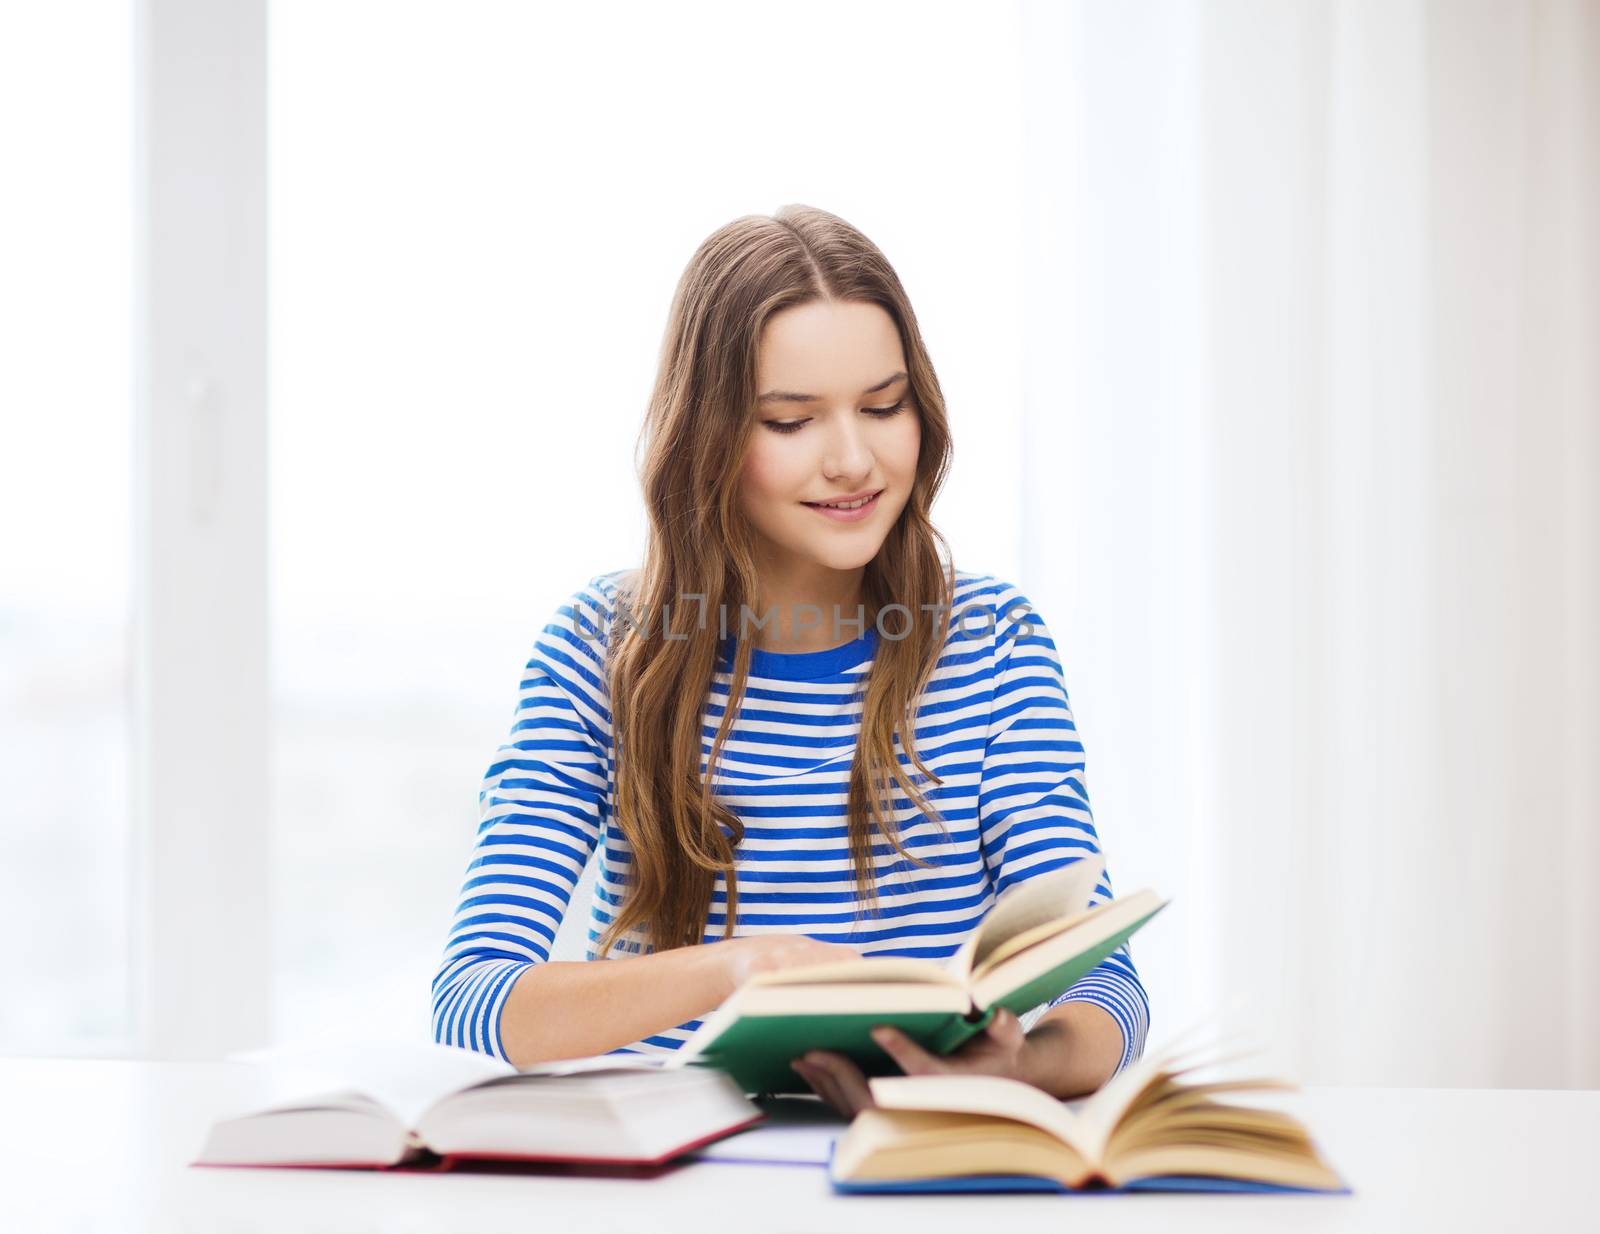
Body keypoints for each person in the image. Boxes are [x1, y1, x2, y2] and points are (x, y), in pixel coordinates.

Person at [430, 204, 1148, 1116]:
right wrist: (741, 969)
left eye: (884, 408)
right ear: (710, 436)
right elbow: (475, 997)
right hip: (680, 1166)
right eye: (789, 420)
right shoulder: (596, 649)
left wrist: (1022, 1066)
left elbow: (1107, 987)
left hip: (918, 1155)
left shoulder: (992, 642)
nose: (853, 458)